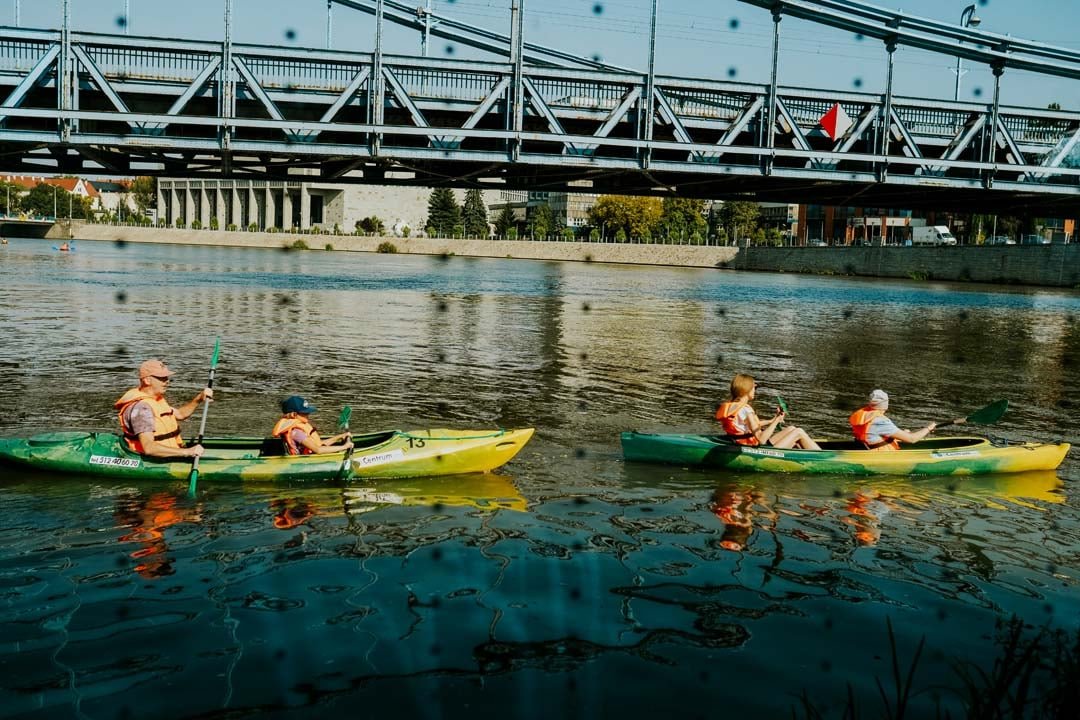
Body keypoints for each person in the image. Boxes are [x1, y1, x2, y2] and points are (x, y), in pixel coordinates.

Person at [115, 359, 213, 458]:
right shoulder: (141, 409)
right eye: (161, 378)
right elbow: (149, 448)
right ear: (147, 380)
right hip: (153, 460)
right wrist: (188, 452)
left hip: (169, 454)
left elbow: (180, 414)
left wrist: (198, 399)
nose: (167, 381)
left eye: (166, 377)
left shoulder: (155, 400)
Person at [715, 373, 821, 450]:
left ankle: (806, 451)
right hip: (757, 448)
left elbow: (748, 425)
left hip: (741, 443)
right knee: (799, 432)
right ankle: (824, 458)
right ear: (746, 390)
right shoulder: (746, 410)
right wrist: (777, 421)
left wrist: (772, 420)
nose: (755, 391)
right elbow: (761, 440)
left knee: (792, 429)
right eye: (754, 388)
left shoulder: (733, 406)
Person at [849, 389, 936, 451]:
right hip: (882, 456)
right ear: (885, 405)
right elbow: (912, 439)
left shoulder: (864, 415)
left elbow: (875, 435)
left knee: (906, 432)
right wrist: (928, 428)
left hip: (867, 449)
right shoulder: (880, 421)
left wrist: (903, 433)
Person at [271, 395, 353, 455]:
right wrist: (345, 447)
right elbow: (318, 450)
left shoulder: (298, 428)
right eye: (304, 412)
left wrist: (340, 437)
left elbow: (319, 444)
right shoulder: (296, 432)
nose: (308, 414)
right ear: (294, 415)